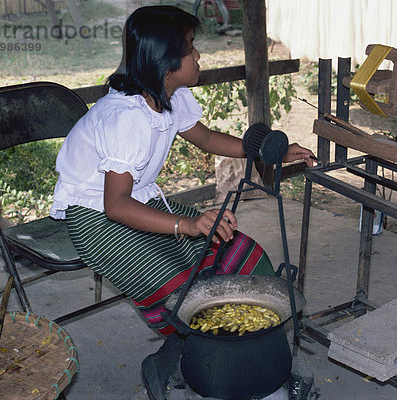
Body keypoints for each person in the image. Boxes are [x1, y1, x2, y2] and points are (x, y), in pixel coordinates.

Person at [48, 5, 315, 399]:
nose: (199, 56)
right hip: (95, 216)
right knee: (178, 288)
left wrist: (268, 149)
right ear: (165, 63)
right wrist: (186, 225)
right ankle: (178, 360)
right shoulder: (127, 118)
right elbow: (116, 206)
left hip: (138, 201)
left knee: (241, 251)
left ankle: (219, 349)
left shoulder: (170, 95)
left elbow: (206, 139)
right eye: (190, 48)